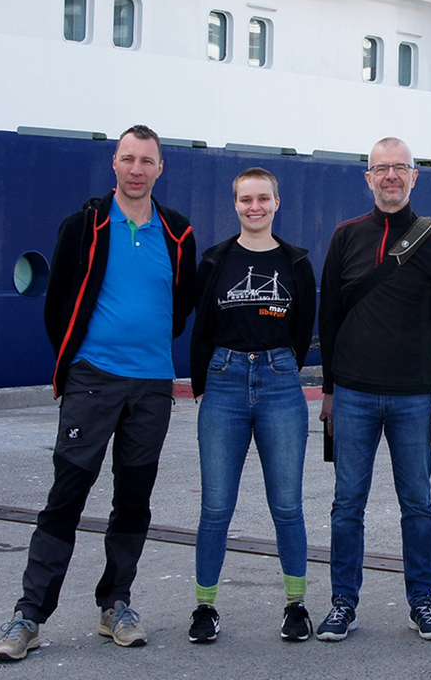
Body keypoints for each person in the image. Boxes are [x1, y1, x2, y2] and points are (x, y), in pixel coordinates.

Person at [0, 125, 196, 662]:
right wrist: (81, 361)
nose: (136, 169)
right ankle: (29, 615)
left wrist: (145, 349)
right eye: (128, 159)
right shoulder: (84, 225)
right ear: (114, 164)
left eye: (146, 161)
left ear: (159, 168)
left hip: (152, 385)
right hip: (93, 380)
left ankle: (116, 604)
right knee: (66, 496)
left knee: (133, 500)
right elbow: (57, 302)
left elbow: (180, 309)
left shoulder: (177, 232)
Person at [316, 136, 431, 642]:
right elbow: (329, 318)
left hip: (414, 398)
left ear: (414, 176)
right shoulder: (345, 236)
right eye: (382, 169)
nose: (391, 177)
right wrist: (330, 392)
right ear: (368, 178)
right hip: (353, 395)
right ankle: (343, 602)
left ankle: (422, 601)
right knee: (346, 504)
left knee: (417, 505)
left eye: (400, 167)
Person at [187, 168, 317, 644]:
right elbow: (202, 327)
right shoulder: (216, 261)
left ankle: (296, 605)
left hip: (281, 383)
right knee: (216, 507)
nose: (254, 207)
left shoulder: (296, 262)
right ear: (235, 204)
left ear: (276, 203)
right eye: (246, 199)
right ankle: (204, 608)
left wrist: (280, 365)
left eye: (263, 198)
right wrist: (206, 381)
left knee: (286, 505)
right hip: (223, 383)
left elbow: (302, 331)